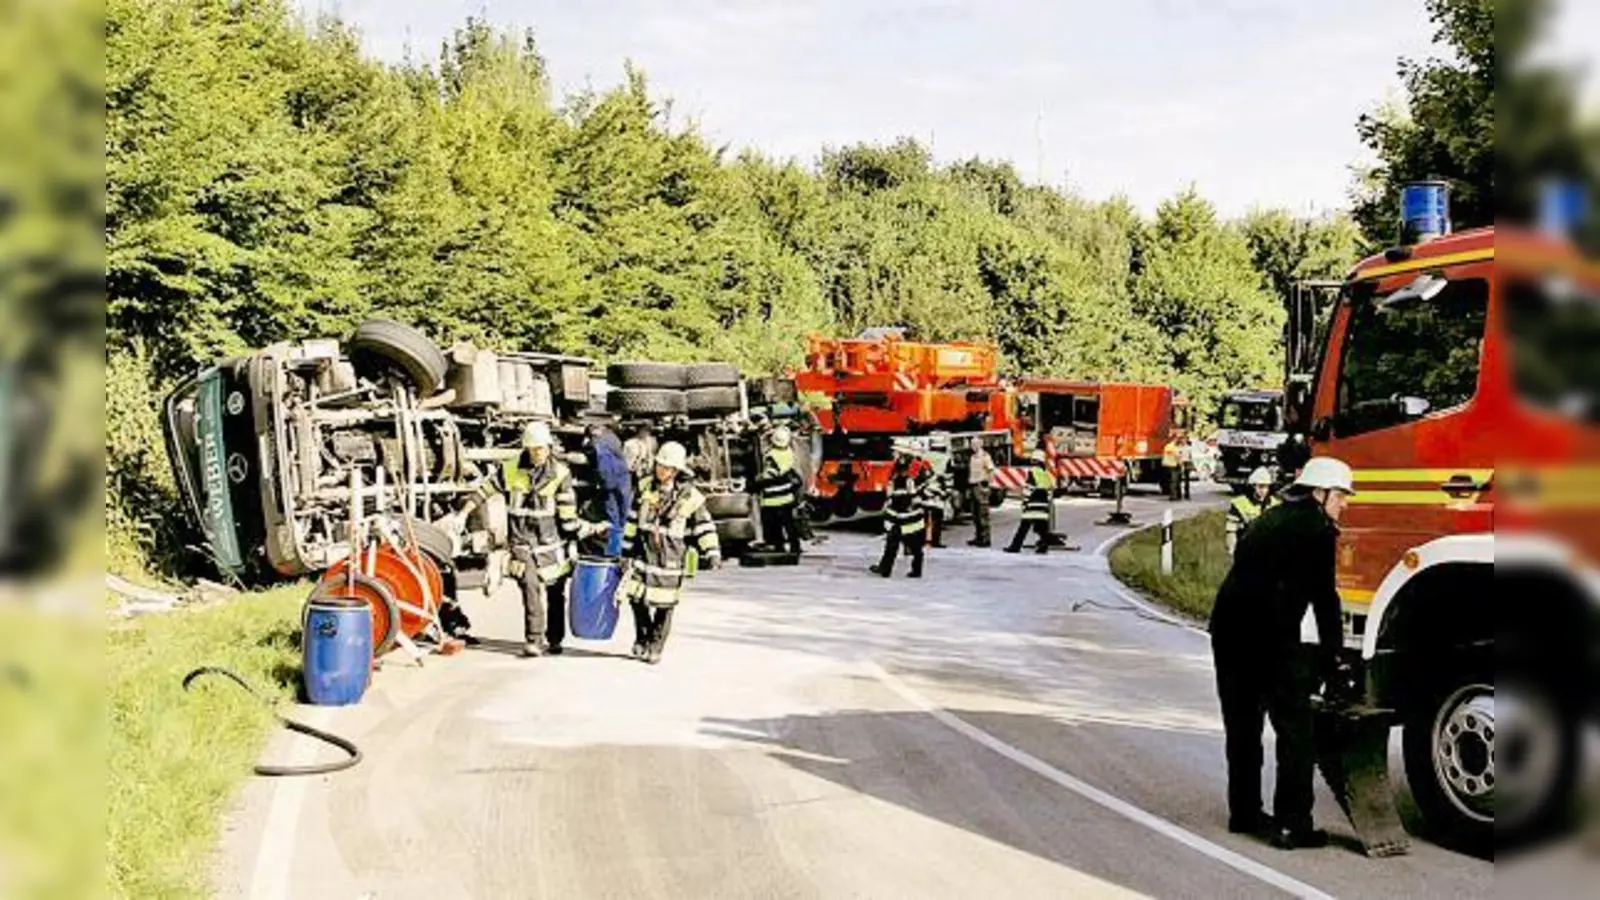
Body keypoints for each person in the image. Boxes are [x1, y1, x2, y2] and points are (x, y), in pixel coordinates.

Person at [1208, 457, 1354, 850]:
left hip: (1227, 632)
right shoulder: (1316, 529)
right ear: (1319, 493)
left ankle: (1244, 813)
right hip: (1268, 638)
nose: (1344, 504)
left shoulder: (1268, 519)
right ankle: (1293, 824)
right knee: (1295, 731)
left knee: (1242, 726)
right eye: (1340, 496)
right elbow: (1325, 598)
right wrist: (1334, 657)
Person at [448, 422, 601, 657]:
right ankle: (534, 640)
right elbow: (484, 491)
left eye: (541, 448)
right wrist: (464, 513)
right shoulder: (510, 470)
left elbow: (568, 519)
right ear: (526, 448)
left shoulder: (560, 475)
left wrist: (588, 530)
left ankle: (555, 638)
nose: (537, 453)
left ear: (549, 447)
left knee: (555, 593)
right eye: (533, 449)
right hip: (522, 545)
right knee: (530, 589)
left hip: (552, 547)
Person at [620, 442, 721, 664]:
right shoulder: (645, 487)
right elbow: (632, 521)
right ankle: (642, 638)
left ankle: (656, 645)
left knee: (664, 606)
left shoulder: (691, 497)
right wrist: (625, 551)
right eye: (659, 465)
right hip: (643, 554)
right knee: (636, 599)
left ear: (676, 470)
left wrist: (712, 551)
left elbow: (704, 526)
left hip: (670, 559)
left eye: (665, 467)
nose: (660, 470)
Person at [870, 451, 926, 578]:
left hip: (905, 520)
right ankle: (889, 569)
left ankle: (886, 569)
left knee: (897, 545)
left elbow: (893, 499)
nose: (901, 472)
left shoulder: (902, 481)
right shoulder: (910, 480)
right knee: (905, 546)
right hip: (907, 520)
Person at [755, 424, 803, 555]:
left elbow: (768, 476)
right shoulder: (789, 453)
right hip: (787, 497)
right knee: (789, 525)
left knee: (775, 526)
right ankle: (795, 547)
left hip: (772, 499)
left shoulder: (771, 456)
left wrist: (756, 484)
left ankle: (779, 546)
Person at [587, 422, 633, 557]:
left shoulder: (596, 442)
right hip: (623, 479)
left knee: (614, 519)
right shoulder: (613, 437)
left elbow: (600, 463)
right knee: (624, 516)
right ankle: (623, 550)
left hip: (609, 481)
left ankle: (614, 552)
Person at [1004, 449, 1056, 554]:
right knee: (1042, 528)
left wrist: (1025, 502)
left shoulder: (1032, 472)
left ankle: (1015, 547)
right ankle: (1043, 547)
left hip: (1032, 503)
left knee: (1024, 527)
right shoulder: (1045, 473)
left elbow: (1029, 488)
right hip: (1043, 503)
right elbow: (1050, 489)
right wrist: (1047, 503)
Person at [1226, 467, 1278, 556]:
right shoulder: (1239, 504)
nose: (1264, 490)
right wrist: (1232, 550)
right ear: (1253, 486)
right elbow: (1231, 530)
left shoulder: (1275, 504)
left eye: (1266, 487)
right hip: (1246, 549)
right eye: (1261, 486)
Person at [965, 436, 995, 548]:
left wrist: (987, 486)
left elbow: (991, 471)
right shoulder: (972, 457)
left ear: (980, 444)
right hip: (973, 485)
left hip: (981, 485)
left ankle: (986, 539)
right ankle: (978, 537)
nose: (973, 446)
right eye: (972, 444)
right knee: (975, 514)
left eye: (975, 444)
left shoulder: (985, 456)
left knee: (983, 514)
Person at [918, 453, 950, 549]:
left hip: (927, 496)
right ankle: (935, 541)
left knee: (925, 520)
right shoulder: (944, 461)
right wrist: (945, 492)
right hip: (935, 496)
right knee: (936, 520)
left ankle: (924, 540)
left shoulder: (923, 461)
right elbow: (948, 479)